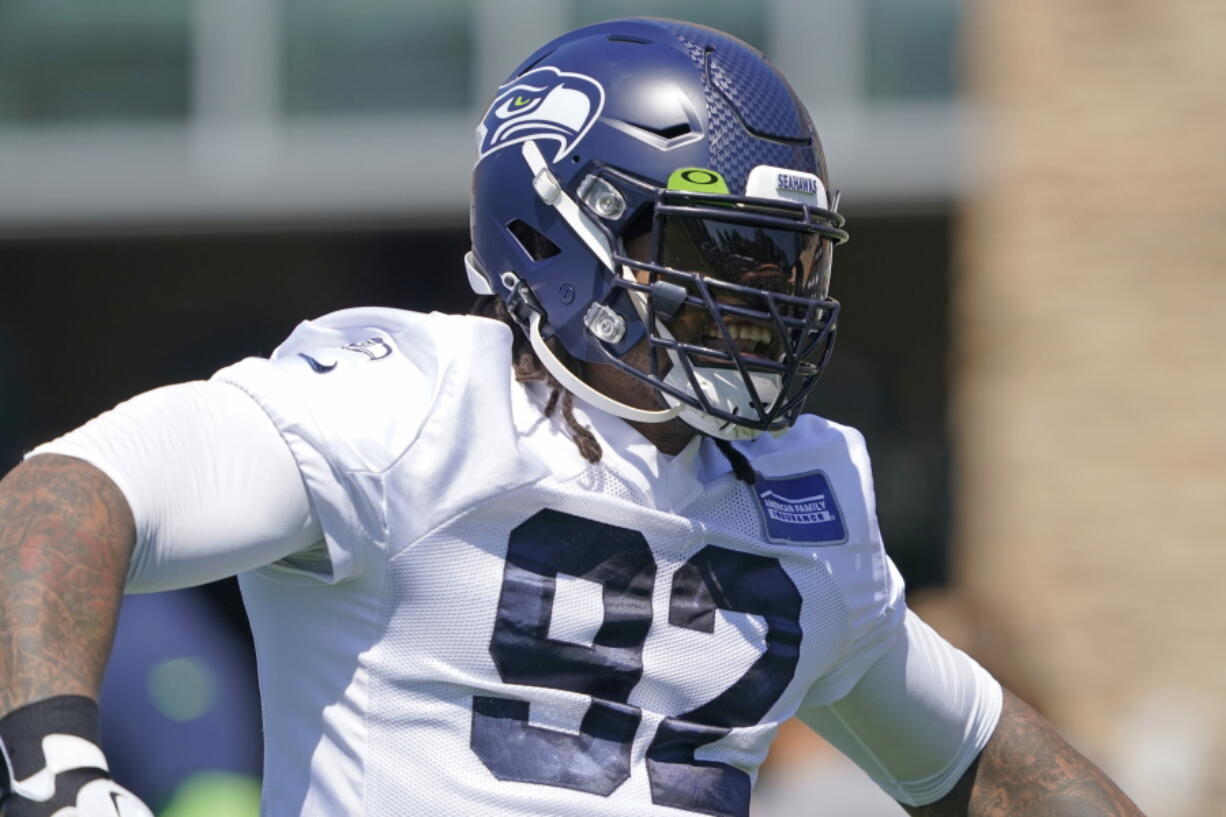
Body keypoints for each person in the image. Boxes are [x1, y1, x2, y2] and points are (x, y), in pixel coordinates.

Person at [0, 18, 1144, 817]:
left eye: (788, 257)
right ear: (557, 229)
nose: (766, 300)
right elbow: (71, 491)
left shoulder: (803, 496)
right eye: (720, 249)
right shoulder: (410, 403)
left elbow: (984, 765)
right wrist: (56, 760)